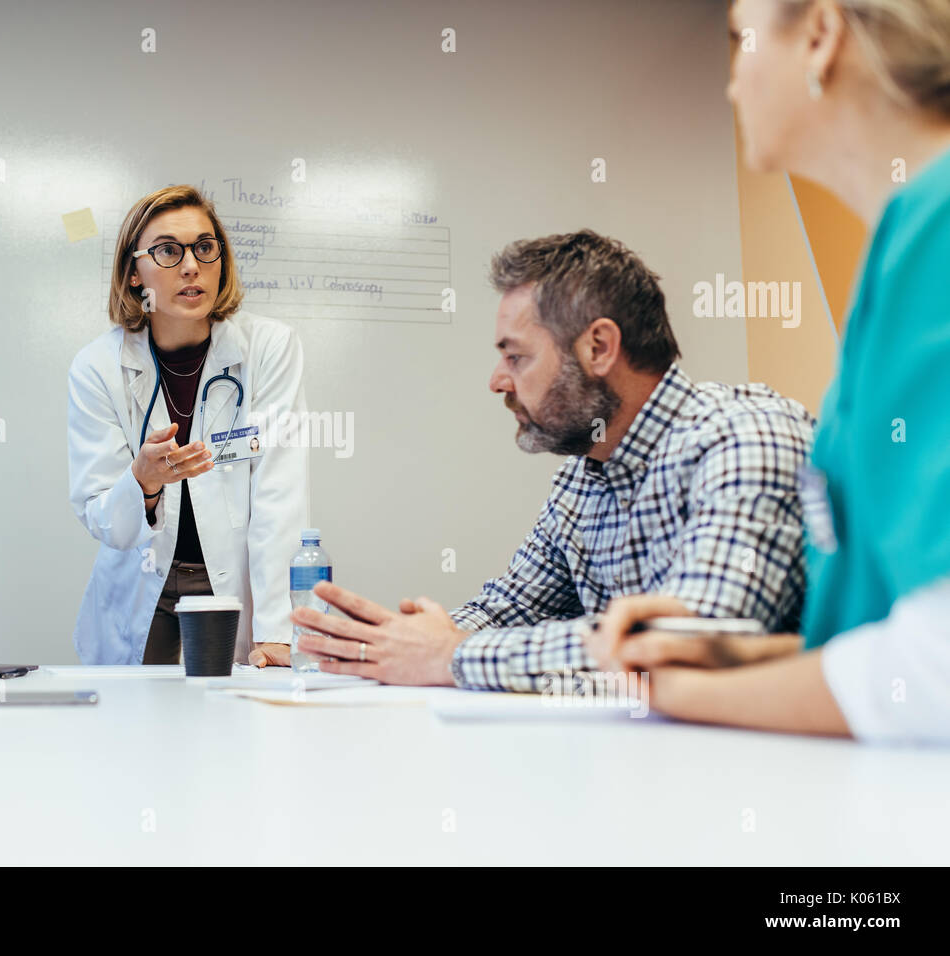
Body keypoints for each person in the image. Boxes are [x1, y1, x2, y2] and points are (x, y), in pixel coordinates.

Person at [586, 0, 950, 745]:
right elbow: (899, 629)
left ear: (819, 36)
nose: (730, 84)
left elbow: (934, 674)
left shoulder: (936, 236)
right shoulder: (903, 246)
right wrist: (738, 655)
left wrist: (682, 695)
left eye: (736, 42)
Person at [292, 230, 816, 689]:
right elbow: (511, 606)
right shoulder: (582, 475)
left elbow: (695, 641)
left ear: (599, 348)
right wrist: (371, 645)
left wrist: (451, 656)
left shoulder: (745, 437)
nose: (497, 381)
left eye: (515, 356)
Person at [69, 185, 308, 666]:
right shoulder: (97, 367)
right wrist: (144, 484)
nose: (191, 265)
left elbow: (277, 496)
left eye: (204, 246)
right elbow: (103, 518)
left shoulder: (268, 349)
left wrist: (276, 628)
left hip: (232, 581)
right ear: (134, 273)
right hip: (141, 578)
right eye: (167, 251)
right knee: (133, 729)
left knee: (236, 726)